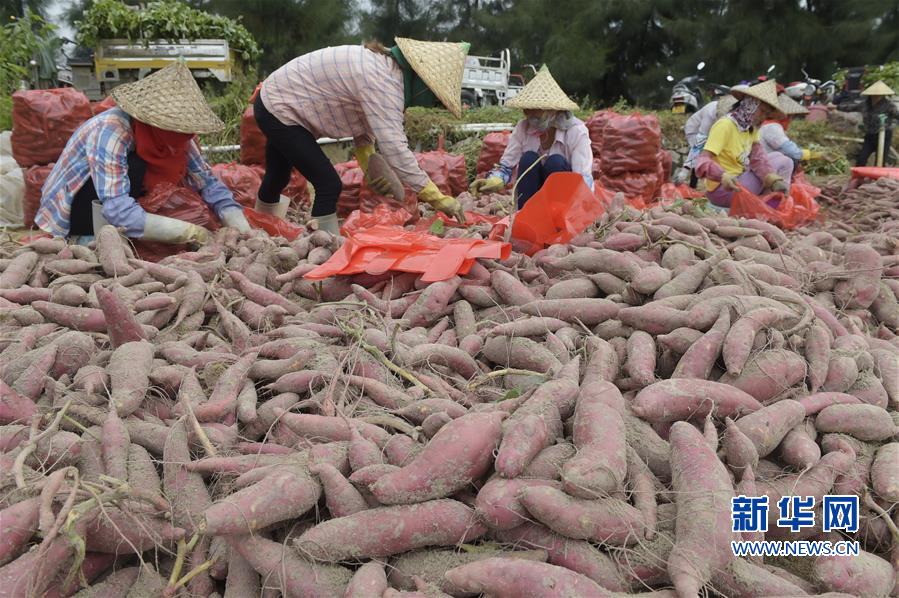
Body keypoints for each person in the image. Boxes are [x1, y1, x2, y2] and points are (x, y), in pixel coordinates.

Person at [253, 38, 469, 234]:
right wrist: (437, 198)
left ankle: (261, 230)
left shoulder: (384, 69)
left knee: (278, 175)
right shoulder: (385, 84)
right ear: (423, 85)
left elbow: (364, 123)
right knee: (328, 184)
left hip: (273, 99)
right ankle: (323, 246)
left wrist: (369, 166)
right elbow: (396, 150)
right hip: (281, 109)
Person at [36, 62, 249, 244]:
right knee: (136, 166)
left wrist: (235, 220)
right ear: (151, 120)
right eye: (172, 127)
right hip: (78, 205)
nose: (181, 136)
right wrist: (189, 232)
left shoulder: (179, 136)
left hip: (119, 201)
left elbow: (207, 182)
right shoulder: (111, 131)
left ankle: (134, 227)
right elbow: (116, 208)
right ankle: (87, 238)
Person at [469, 66, 593, 209]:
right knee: (529, 158)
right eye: (527, 109)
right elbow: (506, 167)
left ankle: (555, 216)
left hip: (564, 199)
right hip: (531, 194)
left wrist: (581, 209)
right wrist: (494, 180)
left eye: (536, 109)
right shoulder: (523, 128)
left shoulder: (576, 131)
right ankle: (526, 213)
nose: (529, 114)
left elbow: (583, 179)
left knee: (556, 162)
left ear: (554, 110)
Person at [694, 80, 792, 209]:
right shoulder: (725, 125)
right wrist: (722, 175)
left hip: (741, 182)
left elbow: (759, 159)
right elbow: (701, 161)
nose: (763, 117)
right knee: (783, 160)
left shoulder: (751, 129)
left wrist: (773, 180)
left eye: (767, 114)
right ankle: (768, 206)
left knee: (781, 158)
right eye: (762, 111)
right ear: (749, 105)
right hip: (724, 189)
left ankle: (770, 205)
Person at [759, 93, 824, 179]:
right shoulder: (772, 127)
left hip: (764, 162)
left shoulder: (765, 125)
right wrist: (815, 155)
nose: (790, 119)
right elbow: (792, 151)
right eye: (790, 116)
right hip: (766, 167)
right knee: (791, 160)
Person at [678, 94, 737, 187]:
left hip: (710, 131)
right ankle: (692, 185)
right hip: (694, 129)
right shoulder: (709, 114)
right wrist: (685, 170)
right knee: (700, 154)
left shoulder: (732, 114)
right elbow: (698, 145)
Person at [854, 80, 898, 166]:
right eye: (874, 95)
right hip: (870, 135)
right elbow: (851, 107)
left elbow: (897, 116)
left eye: (879, 95)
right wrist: (836, 107)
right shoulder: (865, 104)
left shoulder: (889, 106)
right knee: (861, 160)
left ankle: (879, 174)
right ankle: (859, 174)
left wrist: (889, 125)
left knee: (880, 162)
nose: (876, 97)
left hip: (884, 135)